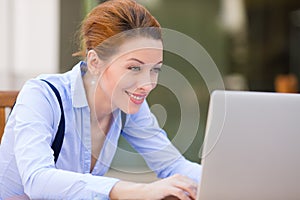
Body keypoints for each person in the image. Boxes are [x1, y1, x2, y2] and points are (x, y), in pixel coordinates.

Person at [0, 0, 202, 199]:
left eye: (155, 69)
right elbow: (37, 180)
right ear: (95, 62)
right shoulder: (42, 95)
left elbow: (172, 165)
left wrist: (225, 179)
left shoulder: (127, 105)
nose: (147, 84)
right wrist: (139, 191)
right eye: (134, 68)